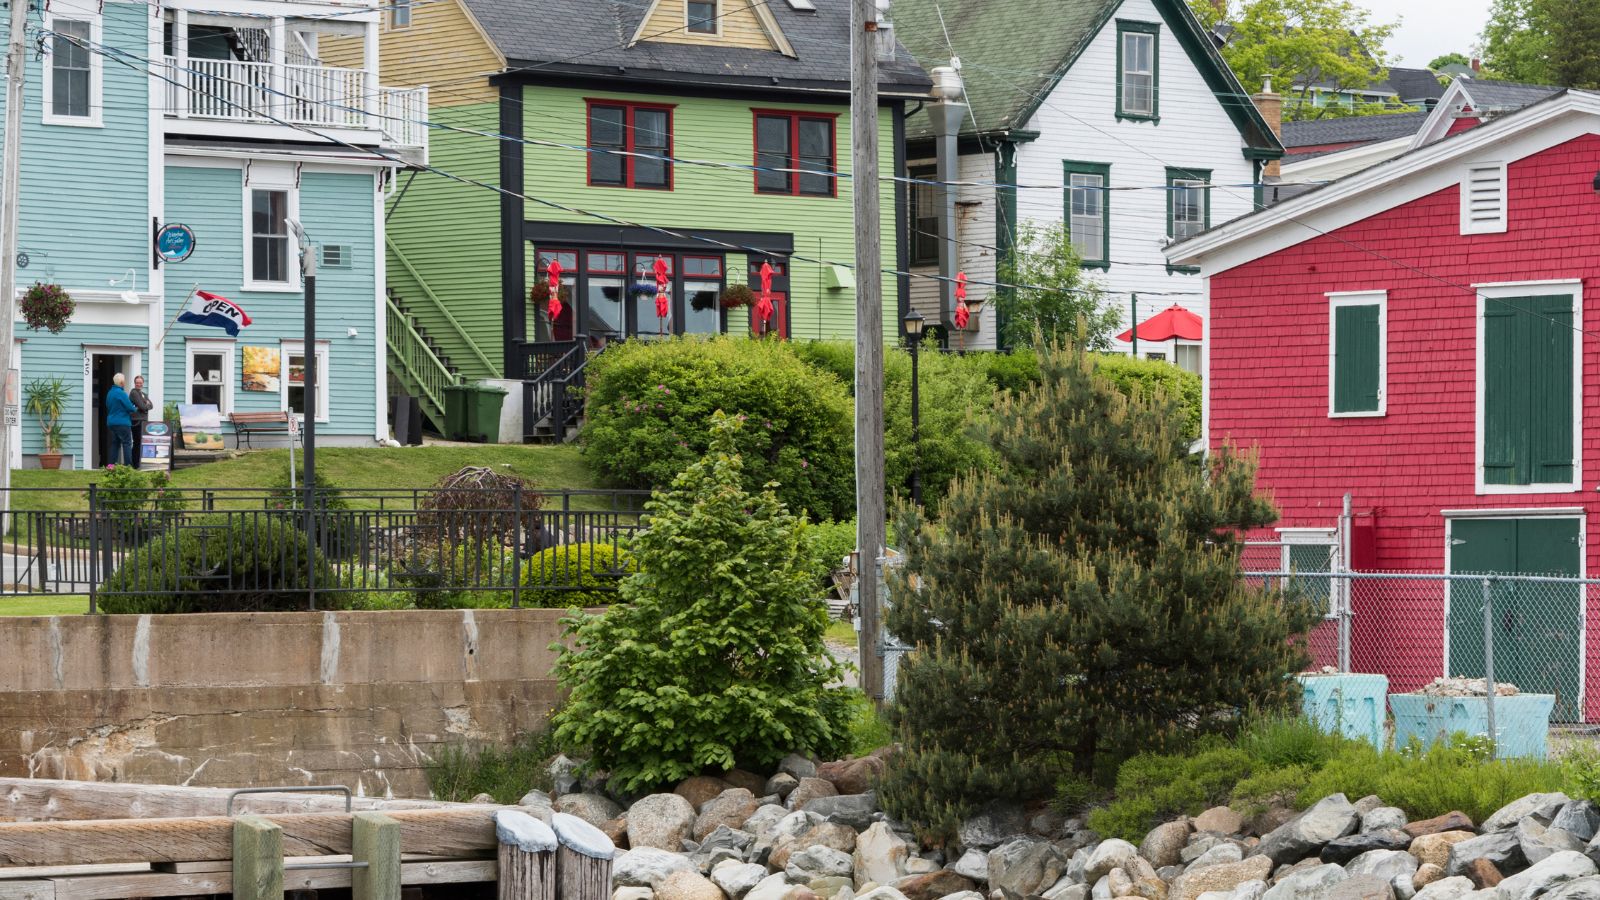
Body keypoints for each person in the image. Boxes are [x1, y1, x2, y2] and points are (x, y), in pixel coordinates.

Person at [106, 373, 136, 468]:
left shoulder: (110, 393)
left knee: (115, 444)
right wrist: (135, 408)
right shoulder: (121, 393)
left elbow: (108, 405)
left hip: (111, 422)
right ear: (122, 382)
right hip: (122, 422)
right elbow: (130, 408)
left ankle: (110, 466)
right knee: (127, 443)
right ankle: (128, 467)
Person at [128, 375, 153, 469]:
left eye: (140, 383)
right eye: (137, 382)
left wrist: (144, 407)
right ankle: (134, 464)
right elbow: (143, 406)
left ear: (143, 383)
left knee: (140, 443)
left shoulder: (143, 394)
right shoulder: (134, 393)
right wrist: (144, 406)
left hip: (143, 421)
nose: (139, 384)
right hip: (136, 421)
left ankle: (137, 464)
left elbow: (151, 405)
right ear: (135, 383)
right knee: (137, 443)